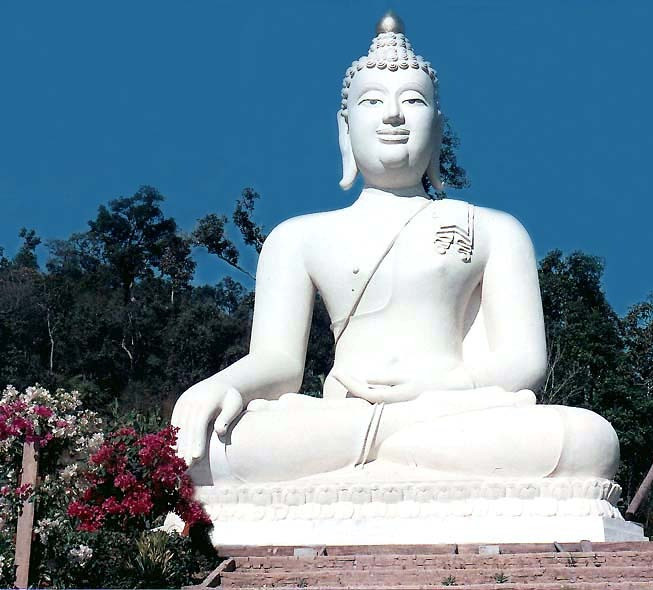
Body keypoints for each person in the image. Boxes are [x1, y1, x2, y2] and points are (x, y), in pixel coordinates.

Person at [171, 14, 619, 486]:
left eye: (412, 101)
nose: (393, 115)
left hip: (451, 413)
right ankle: (395, 452)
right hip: (339, 420)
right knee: (203, 443)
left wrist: (437, 390)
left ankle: (379, 453)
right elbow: (278, 364)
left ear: (438, 129)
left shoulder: (495, 230)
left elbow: (524, 365)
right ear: (345, 128)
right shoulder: (297, 238)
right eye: (372, 102)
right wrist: (222, 385)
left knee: (586, 439)